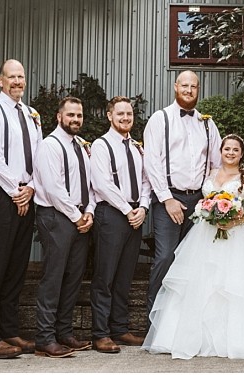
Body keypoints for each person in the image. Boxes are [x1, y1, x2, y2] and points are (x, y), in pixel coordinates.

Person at [143, 135, 244, 359]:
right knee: (204, 284)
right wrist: (209, 214)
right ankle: (195, 337)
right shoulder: (210, 175)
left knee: (235, 285)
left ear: (241, 153)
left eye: (235, 149)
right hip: (205, 235)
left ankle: (238, 338)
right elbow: (201, 201)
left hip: (240, 235)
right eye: (227, 149)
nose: (230, 153)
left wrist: (231, 222)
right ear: (221, 151)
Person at [0, 59, 42, 359]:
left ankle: (10, 330)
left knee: (16, 266)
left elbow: (40, 156)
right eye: (11, 77)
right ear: (0, 81)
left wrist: (32, 188)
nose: (17, 81)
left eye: (21, 76)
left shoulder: (31, 114)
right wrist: (17, 191)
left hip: (24, 194)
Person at [143, 71, 222, 316]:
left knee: (194, 261)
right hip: (168, 199)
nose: (189, 90)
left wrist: (208, 195)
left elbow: (216, 163)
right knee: (165, 256)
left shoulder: (208, 124)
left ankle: (186, 319)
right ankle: (154, 319)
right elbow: (151, 162)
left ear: (199, 89)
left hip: (198, 202)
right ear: (175, 87)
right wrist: (167, 199)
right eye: (184, 85)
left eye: (194, 86)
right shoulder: (160, 119)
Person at [32, 97, 95, 358]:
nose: (75, 120)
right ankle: (44, 338)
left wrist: (89, 211)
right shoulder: (49, 145)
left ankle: (64, 332)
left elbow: (91, 183)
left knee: (73, 278)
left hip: (80, 217)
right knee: (54, 277)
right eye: (70, 115)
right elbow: (54, 188)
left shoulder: (81, 145)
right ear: (59, 117)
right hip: (57, 217)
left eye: (79, 115)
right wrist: (76, 216)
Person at [90, 96, 150, 353]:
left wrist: (143, 208)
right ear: (109, 116)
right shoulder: (101, 146)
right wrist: (127, 210)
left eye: (129, 114)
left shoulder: (137, 147)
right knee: (105, 276)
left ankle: (120, 328)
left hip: (135, 215)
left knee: (125, 276)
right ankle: (100, 333)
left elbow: (147, 180)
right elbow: (102, 184)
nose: (125, 118)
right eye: (120, 114)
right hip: (112, 215)